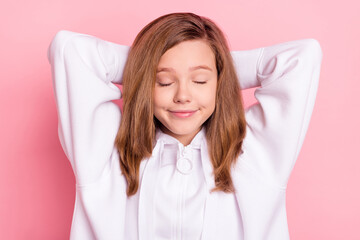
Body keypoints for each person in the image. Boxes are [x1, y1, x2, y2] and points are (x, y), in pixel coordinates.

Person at [47, 12, 322, 240]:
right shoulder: (106, 151)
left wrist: (219, 63)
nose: (183, 96)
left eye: (200, 80)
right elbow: (69, 49)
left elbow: (303, 56)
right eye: (164, 81)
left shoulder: (254, 150)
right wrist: (144, 64)